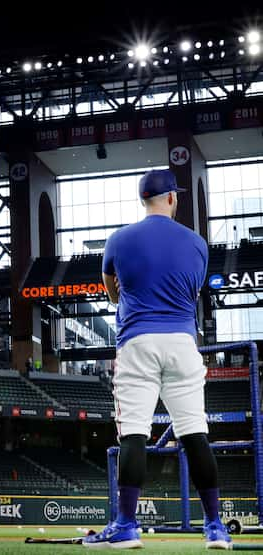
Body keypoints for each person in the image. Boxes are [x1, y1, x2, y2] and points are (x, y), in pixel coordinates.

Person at [85, 169, 231, 549]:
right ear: (171, 198)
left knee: (133, 432)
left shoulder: (118, 239)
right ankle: (215, 526)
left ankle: (126, 526)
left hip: (137, 340)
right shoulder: (197, 242)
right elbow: (192, 293)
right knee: (195, 433)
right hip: (182, 341)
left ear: (144, 199)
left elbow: (113, 294)